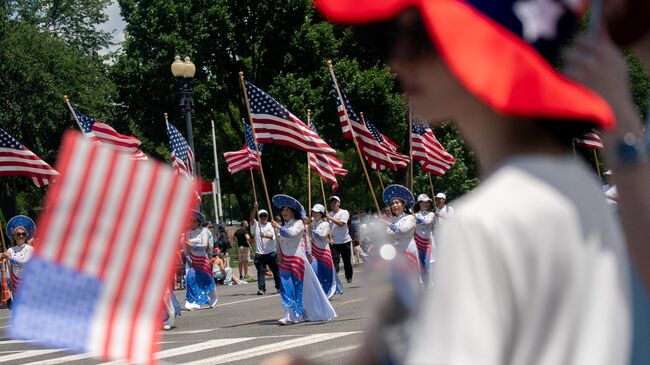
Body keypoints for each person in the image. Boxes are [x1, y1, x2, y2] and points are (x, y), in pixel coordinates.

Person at [309, 1, 633, 365]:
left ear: (483, 45)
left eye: (417, 37)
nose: (397, 60)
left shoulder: (484, 221)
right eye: (384, 40)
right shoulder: (576, 188)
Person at [271, 194, 336, 325]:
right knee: (285, 286)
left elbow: (291, 234)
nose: (284, 212)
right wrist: (278, 254)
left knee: (297, 286)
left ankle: (298, 313)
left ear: (293, 211)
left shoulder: (299, 223)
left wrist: (278, 227)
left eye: (287, 209)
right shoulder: (282, 225)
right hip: (284, 261)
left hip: (297, 260)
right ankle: (288, 313)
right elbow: (279, 242)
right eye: (283, 210)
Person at [382, 185, 420, 277]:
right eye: (392, 204)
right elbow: (387, 234)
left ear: (403, 205)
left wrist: (388, 225)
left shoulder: (410, 218)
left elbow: (402, 230)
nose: (394, 205)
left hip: (409, 250)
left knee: (413, 277)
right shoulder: (392, 220)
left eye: (397, 202)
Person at [184, 210, 218, 310]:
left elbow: (204, 246)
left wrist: (192, 245)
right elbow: (185, 249)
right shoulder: (187, 233)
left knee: (207, 281)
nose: (192, 223)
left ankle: (213, 298)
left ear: (198, 222)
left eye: (194, 221)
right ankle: (193, 301)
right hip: (192, 261)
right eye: (190, 221)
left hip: (203, 261)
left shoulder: (203, 232)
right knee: (191, 279)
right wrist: (189, 258)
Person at [1, 215, 36, 308]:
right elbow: (8, 269)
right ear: (14, 236)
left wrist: (10, 258)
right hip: (15, 284)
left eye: (23, 234)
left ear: (26, 235)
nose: (21, 236)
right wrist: (9, 283)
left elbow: (24, 263)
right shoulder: (10, 251)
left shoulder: (30, 249)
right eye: (18, 234)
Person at [309, 204, 341, 299]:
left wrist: (312, 230)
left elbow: (322, 235)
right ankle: (321, 291)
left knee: (327, 273)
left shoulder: (325, 224)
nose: (314, 214)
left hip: (324, 252)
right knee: (315, 271)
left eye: (316, 212)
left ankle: (329, 292)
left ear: (321, 213)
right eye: (313, 212)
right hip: (314, 252)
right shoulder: (311, 223)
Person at [250, 202, 281, 295]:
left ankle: (279, 287)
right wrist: (255, 208)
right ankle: (261, 289)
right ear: (259, 216)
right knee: (261, 272)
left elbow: (272, 236)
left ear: (267, 216)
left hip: (271, 252)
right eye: (261, 215)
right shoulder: (256, 225)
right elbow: (251, 218)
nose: (263, 217)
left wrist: (265, 235)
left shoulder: (271, 225)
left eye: (265, 215)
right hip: (259, 253)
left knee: (276, 271)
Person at [327, 196, 354, 283]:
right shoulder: (329, 214)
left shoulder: (344, 212)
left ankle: (349, 277)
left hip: (345, 240)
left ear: (339, 203)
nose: (333, 204)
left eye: (335, 202)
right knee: (335, 260)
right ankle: (335, 278)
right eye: (332, 202)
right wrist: (329, 238)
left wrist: (330, 218)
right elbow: (327, 228)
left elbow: (341, 223)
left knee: (347, 261)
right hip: (334, 242)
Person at [414, 194, 435, 283]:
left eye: (428, 202)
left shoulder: (431, 214)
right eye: (424, 202)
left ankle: (431, 287)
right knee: (420, 267)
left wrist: (415, 216)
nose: (426, 204)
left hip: (428, 244)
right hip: (418, 244)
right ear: (419, 203)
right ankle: (423, 287)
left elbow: (427, 221)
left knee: (428, 266)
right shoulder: (414, 215)